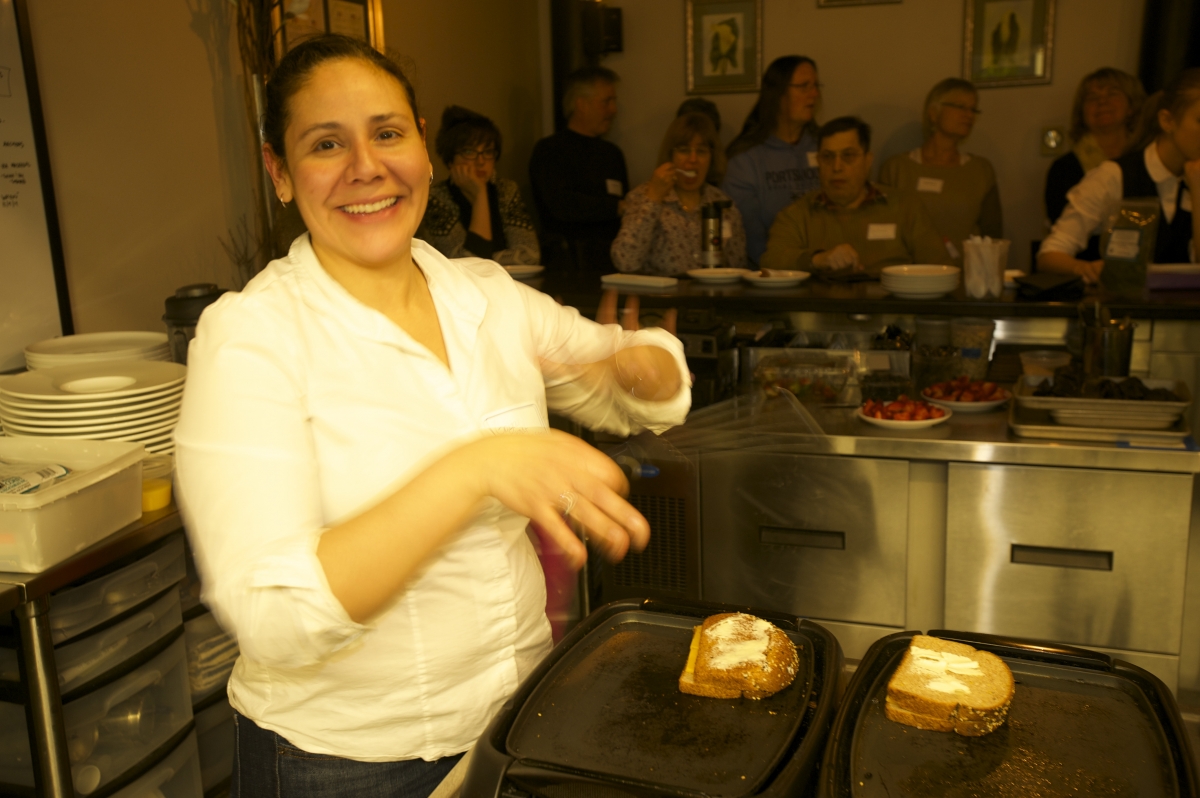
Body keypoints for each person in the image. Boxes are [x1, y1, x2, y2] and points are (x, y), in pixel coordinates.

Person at [173, 35, 689, 798]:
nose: (366, 167)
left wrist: (642, 364)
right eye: (325, 144)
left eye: (387, 133)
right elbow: (272, 615)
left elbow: (614, 373)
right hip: (342, 764)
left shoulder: (486, 294)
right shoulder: (250, 338)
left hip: (509, 723)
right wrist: (478, 466)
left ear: (422, 146)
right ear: (279, 173)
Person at [1038, 69, 1200, 282]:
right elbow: (1049, 254)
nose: (1103, 102)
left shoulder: (1193, 176)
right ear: (1167, 121)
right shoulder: (1114, 175)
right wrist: (1084, 268)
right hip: (1122, 311)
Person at [760, 116, 952, 275]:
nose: (836, 167)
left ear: (868, 161)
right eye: (827, 157)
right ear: (818, 162)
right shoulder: (798, 214)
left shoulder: (905, 207)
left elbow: (941, 268)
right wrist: (818, 259)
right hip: (822, 314)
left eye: (848, 156)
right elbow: (771, 261)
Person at [878, 78, 1002, 264]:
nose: (969, 115)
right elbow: (883, 231)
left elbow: (992, 234)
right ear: (933, 113)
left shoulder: (981, 169)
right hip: (909, 278)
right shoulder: (897, 168)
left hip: (965, 278)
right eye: (960, 107)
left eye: (973, 109)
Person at [611, 112, 747, 276]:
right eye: (684, 150)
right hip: (659, 297)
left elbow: (738, 268)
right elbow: (625, 262)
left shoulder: (724, 205)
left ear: (711, 158)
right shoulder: (642, 196)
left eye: (702, 151)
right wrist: (653, 199)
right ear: (671, 155)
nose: (692, 159)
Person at [722, 55, 822, 262]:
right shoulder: (745, 159)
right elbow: (750, 235)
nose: (814, 94)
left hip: (829, 265)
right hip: (772, 272)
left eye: (816, 86)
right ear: (778, 94)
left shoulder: (826, 148)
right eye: (804, 86)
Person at [529, 66, 628, 272]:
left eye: (614, 101)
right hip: (569, 266)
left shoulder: (613, 154)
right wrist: (615, 208)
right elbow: (561, 205)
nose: (613, 110)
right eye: (606, 102)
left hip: (614, 265)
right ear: (581, 104)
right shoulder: (550, 150)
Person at [1043, 68, 1146, 261]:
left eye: (1112, 94)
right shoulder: (1063, 169)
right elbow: (1064, 234)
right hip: (1085, 269)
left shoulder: (1147, 161)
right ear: (1082, 112)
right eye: (1092, 98)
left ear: (1131, 106)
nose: (1102, 102)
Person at [417, 105, 539, 265]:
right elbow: (468, 263)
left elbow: (530, 255)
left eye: (488, 152)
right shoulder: (435, 199)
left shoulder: (506, 191)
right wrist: (480, 195)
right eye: (469, 152)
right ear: (450, 160)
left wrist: (488, 260)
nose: (481, 161)